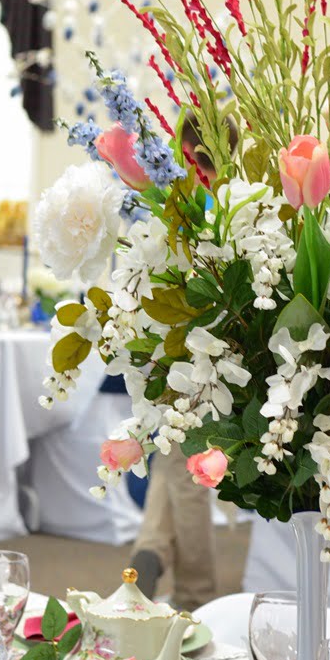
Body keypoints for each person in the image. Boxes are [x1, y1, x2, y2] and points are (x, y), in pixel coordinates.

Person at [130, 113, 237, 609]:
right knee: (174, 467)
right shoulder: (241, 201)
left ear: (189, 152)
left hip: (184, 352)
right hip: (227, 355)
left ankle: (195, 594)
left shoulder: (188, 206)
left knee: (185, 472)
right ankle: (148, 552)